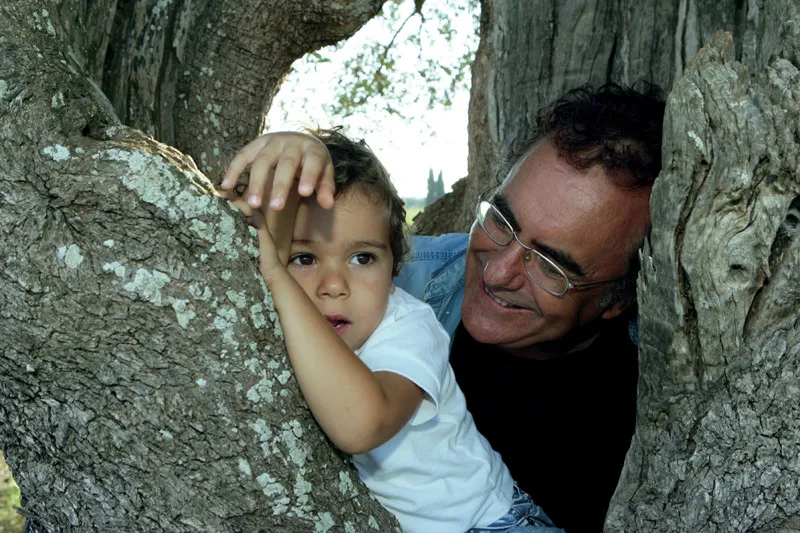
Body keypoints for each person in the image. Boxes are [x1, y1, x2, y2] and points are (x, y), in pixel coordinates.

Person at [223, 81, 666, 532]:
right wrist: (293, 153)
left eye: (552, 266)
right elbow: (249, 256)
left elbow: (360, 422)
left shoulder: (656, 389)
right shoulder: (405, 276)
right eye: (501, 220)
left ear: (621, 298)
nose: (497, 274)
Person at [220, 128, 563, 533]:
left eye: (362, 257)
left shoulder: (409, 328)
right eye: (304, 257)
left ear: (393, 272)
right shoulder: (276, 319)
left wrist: (280, 274)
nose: (334, 284)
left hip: (491, 524)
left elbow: (361, 424)